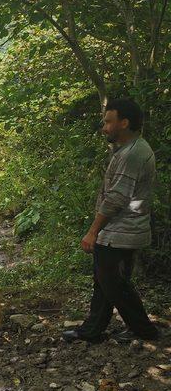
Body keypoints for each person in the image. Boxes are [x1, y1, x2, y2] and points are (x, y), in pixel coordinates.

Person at [62, 98, 159, 344]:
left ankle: (145, 330)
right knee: (105, 281)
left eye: (108, 121)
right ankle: (93, 331)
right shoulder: (129, 149)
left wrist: (93, 231)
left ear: (124, 123)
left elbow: (116, 198)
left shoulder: (133, 154)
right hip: (121, 229)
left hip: (122, 230)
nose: (104, 127)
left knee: (113, 284)